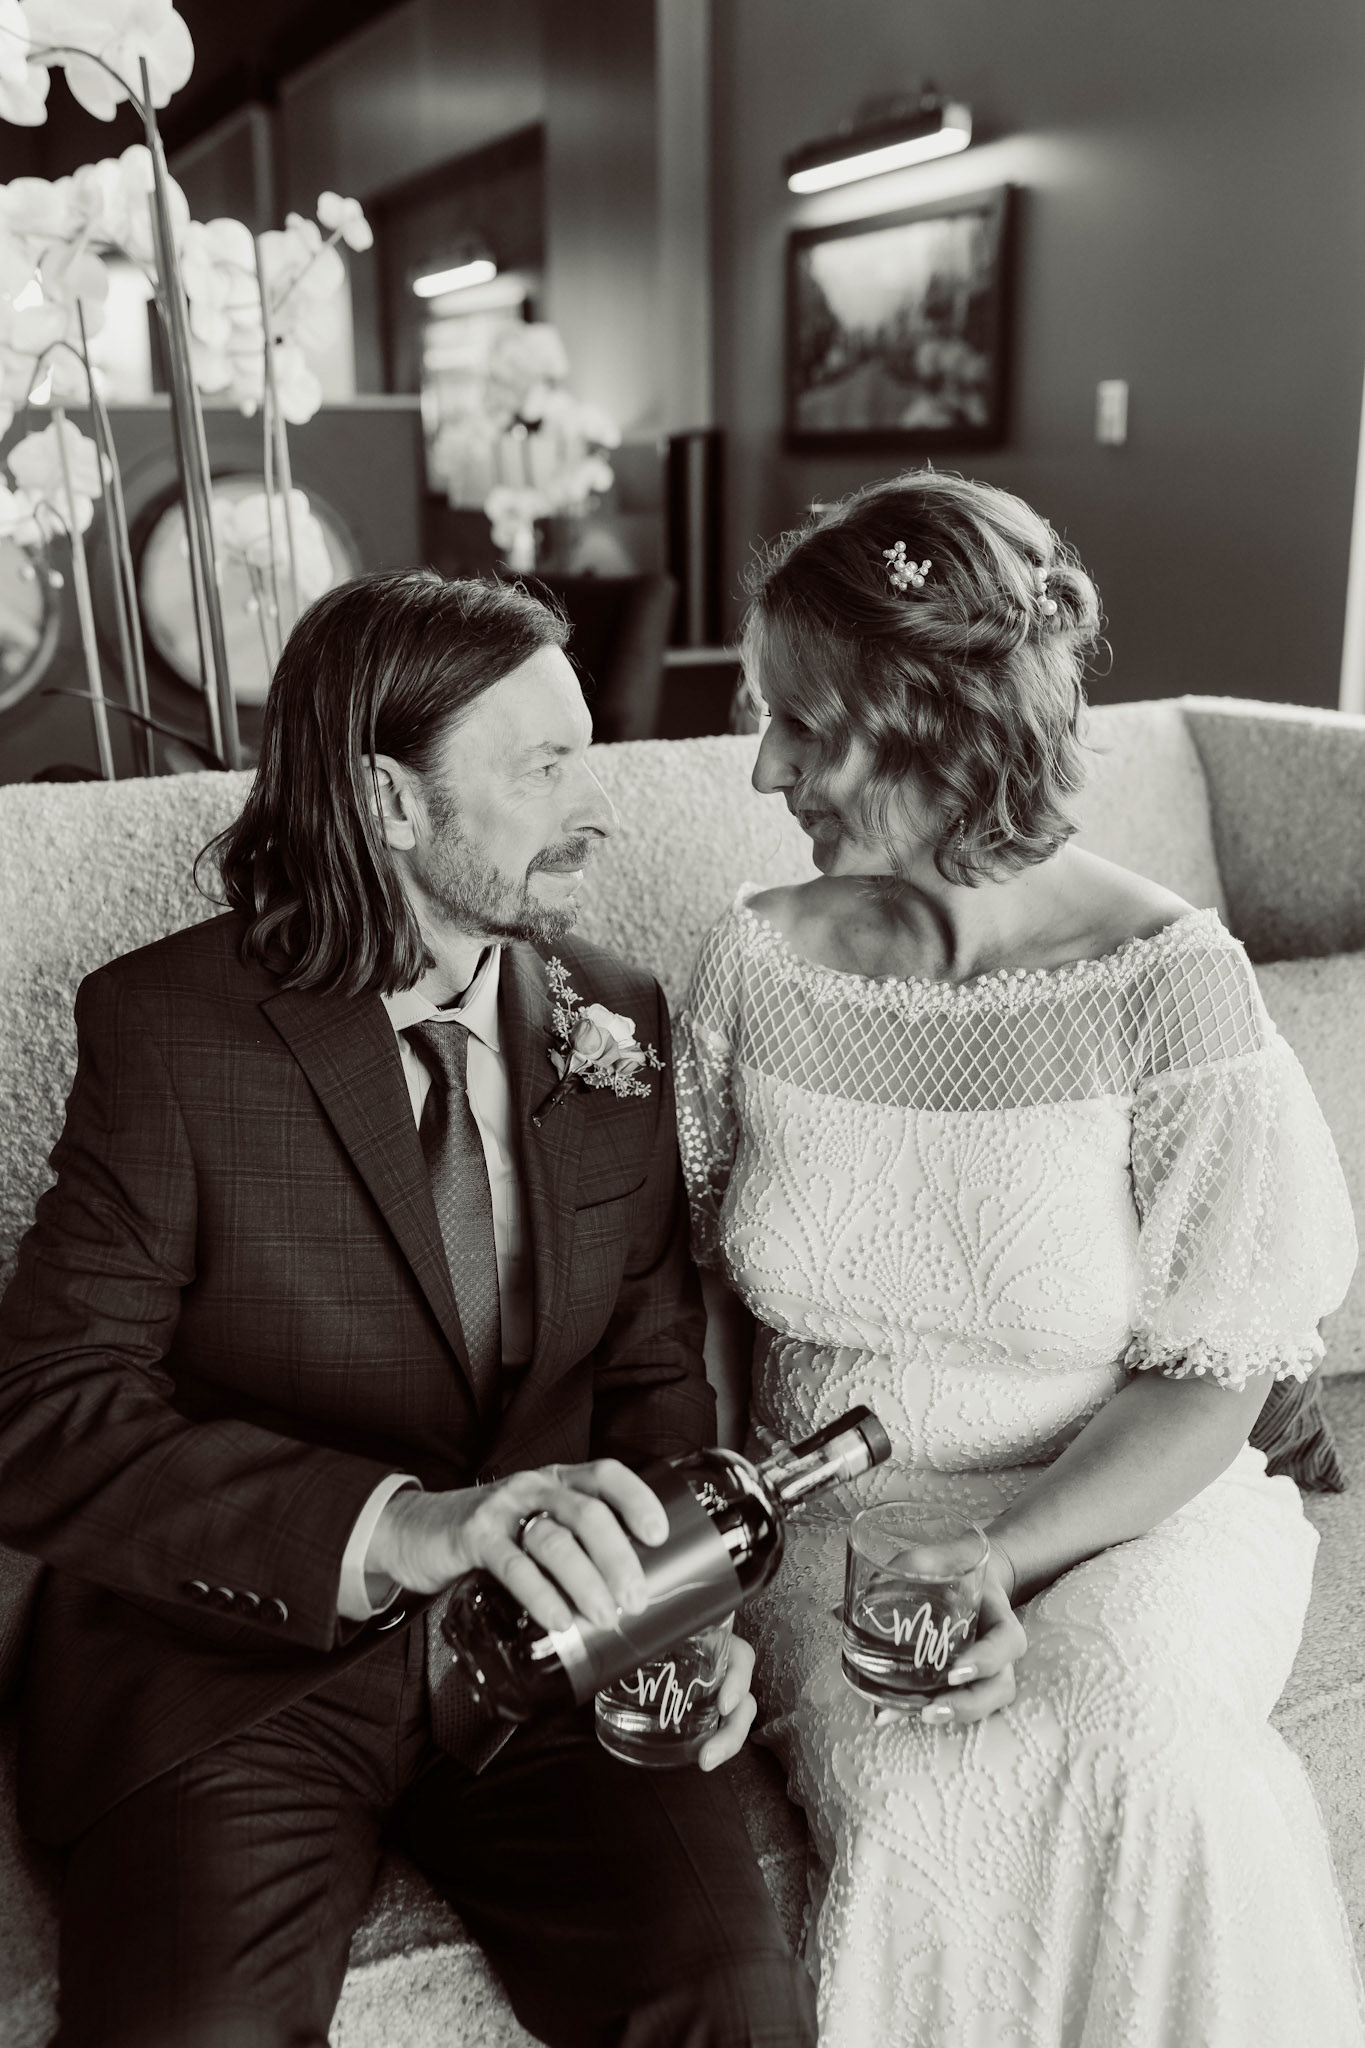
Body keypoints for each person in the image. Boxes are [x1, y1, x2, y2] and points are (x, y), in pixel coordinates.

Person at [0, 569, 817, 2048]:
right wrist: (402, 1528)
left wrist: (680, 1602)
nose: (596, 809)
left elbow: (647, 1365)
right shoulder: (173, 1033)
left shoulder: (615, 1013)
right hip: (234, 1677)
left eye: (585, 756)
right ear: (387, 799)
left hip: (563, 1655)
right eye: (542, 768)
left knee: (734, 2010)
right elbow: (46, 1414)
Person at [675, 473, 1365, 2047]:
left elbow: (1216, 1372)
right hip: (833, 1519)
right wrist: (710, 1554)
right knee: (929, 1795)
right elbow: (696, 1302)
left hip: (1132, 1508)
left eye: (801, 728)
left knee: (1145, 1757)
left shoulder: (1164, 983)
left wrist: (1004, 1556)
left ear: (935, 725)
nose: (764, 768)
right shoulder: (750, 964)